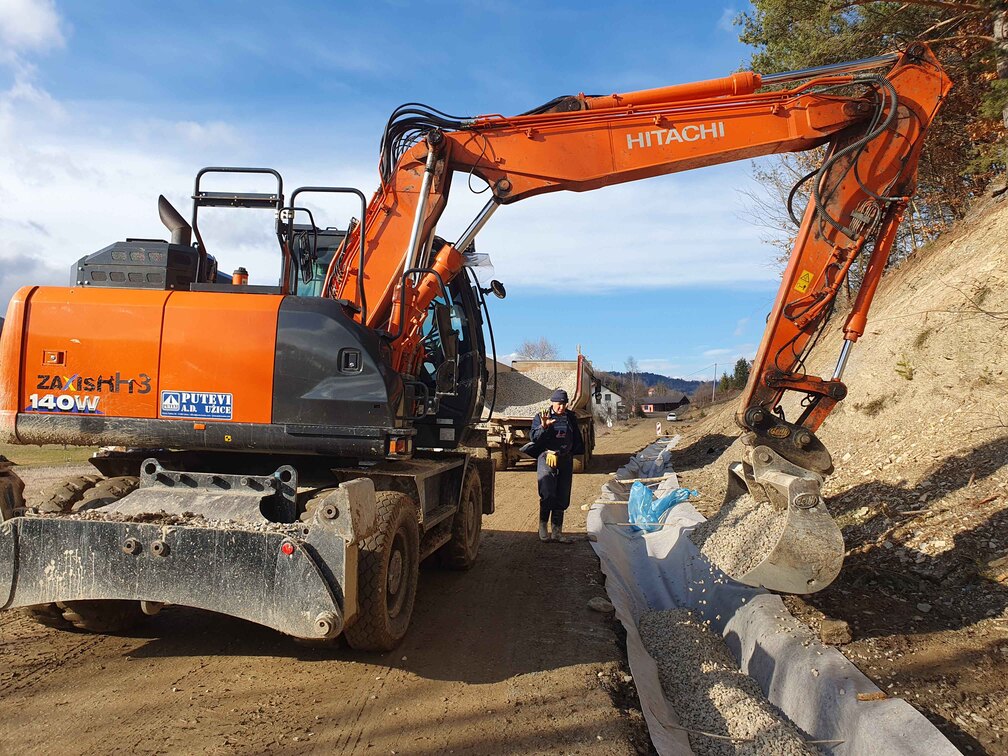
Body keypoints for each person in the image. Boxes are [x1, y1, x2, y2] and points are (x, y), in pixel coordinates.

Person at [529, 388, 585, 543]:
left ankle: (557, 531)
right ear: (552, 402)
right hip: (547, 458)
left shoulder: (570, 417)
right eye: (559, 403)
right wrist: (544, 427)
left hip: (565, 459)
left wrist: (572, 451)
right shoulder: (542, 416)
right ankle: (542, 526)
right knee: (547, 492)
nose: (561, 407)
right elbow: (534, 437)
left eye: (564, 404)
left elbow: (575, 437)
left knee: (563, 494)